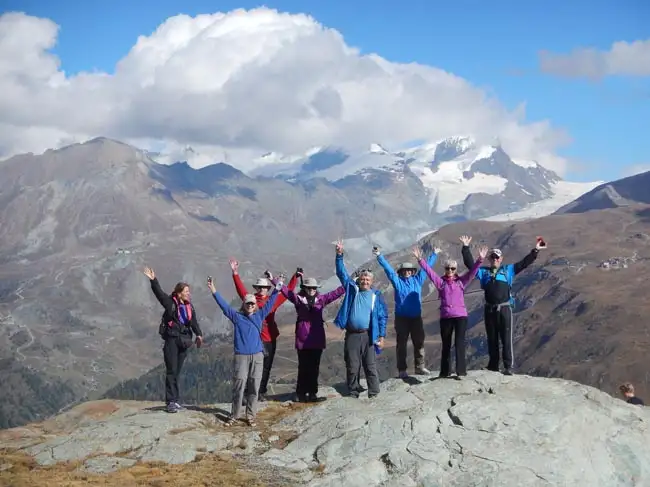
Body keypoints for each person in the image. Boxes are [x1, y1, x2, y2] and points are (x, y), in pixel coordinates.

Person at [460, 235, 546, 375]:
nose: (495, 259)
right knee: (492, 338)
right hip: (489, 309)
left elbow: (524, 263)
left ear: (501, 259)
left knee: (506, 337)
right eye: (492, 257)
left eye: (497, 257)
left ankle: (508, 367)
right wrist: (465, 247)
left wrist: (535, 250)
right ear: (489, 259)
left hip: (505, 308)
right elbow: (470, 265)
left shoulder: (508, 270)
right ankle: (493, 365)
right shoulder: (483, 272)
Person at [207, 275, 280, 427]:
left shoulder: (260, 315)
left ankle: (251, 415)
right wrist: (213, 290)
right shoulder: (237, 317)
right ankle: (234, 414)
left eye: (253, 303)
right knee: (239, 386)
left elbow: (272, 300)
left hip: (257, 356)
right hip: (241, 356)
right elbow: (224, 306)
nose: (250, 306)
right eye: (248, 303)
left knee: (254, 386)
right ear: (244, 304)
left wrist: (278, 286)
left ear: (256, 305)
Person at [413, 243, 487, 379]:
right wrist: (420, 260)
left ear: (456, 269)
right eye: (448, 268)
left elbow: (472, 273)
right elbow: (429, 272)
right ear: (445, 269)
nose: (450, 271)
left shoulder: (462, 281)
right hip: (446, 317)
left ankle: (461, 372)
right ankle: (445, 371)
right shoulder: (440, 282)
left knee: (459, 343)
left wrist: (480, 260)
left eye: (453, 269)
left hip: (460, 317)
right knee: (446, 344)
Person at [230, 258, 299, 401]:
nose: (262, 290)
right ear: (256, 288)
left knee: (266, 367)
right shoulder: (250, 300)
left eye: (265, 288)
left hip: (270, 339)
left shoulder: (272, 301)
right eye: (260, 287)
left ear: (268, 289)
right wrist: (235, 273)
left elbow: (288, 292)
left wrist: (295, 278)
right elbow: (240, 289)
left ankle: (260, 392)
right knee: (252, 368)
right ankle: (248, 394)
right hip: (256, 340)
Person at [271, 272, 345, 403]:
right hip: (303, 339)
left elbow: (336, 293)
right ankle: (300, 393)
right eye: (309, 288)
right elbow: (286, 291)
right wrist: (273, 280)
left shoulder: (322, 299)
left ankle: (312, 393)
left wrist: (349, 282)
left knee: (314, 367)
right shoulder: (298, 299)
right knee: (303, 367)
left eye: (314, 288)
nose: (312, 290)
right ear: (304, 288)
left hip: (316, 339)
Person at [143, 266, 203, 414]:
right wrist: (153, 280)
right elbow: (159, 294)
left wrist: (199, 334)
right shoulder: (170, 304)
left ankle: (175, 400)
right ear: (179, 293)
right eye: (186, 292)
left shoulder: (189, 307)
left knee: (177, 372)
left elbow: (193, 322)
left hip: (184, 341)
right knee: (171, 370)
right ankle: (170, 401)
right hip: (171, 341)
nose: (189, 294)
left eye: (189, 292)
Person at [373, 244, 438, 379]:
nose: (407, 272)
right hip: (402, 318)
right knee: (401, 343)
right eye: (404, 270)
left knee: (419, 341)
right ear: (401, 272)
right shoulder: (397, 281)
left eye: (409, 270)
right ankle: (402, 370)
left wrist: (434, 254)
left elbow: (426, 269)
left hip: (416, 318)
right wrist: (379, 256)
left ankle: (420, 367)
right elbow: (389, 270)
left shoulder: (418, 280)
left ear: (412, 271)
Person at [334, 239, 387, 398]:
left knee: (370, 365)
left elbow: (382, 317)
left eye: (368, 280)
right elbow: (341, 273)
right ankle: (353, 391)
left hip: (368, 335)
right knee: (352, 365)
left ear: (372, 282)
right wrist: (339, 255)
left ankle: (374, 392)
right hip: (352, 334)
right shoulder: (353, 289)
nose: (364, 281)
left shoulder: (375, 296)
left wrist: (382, 336)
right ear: (359, 279)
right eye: (363, 279)